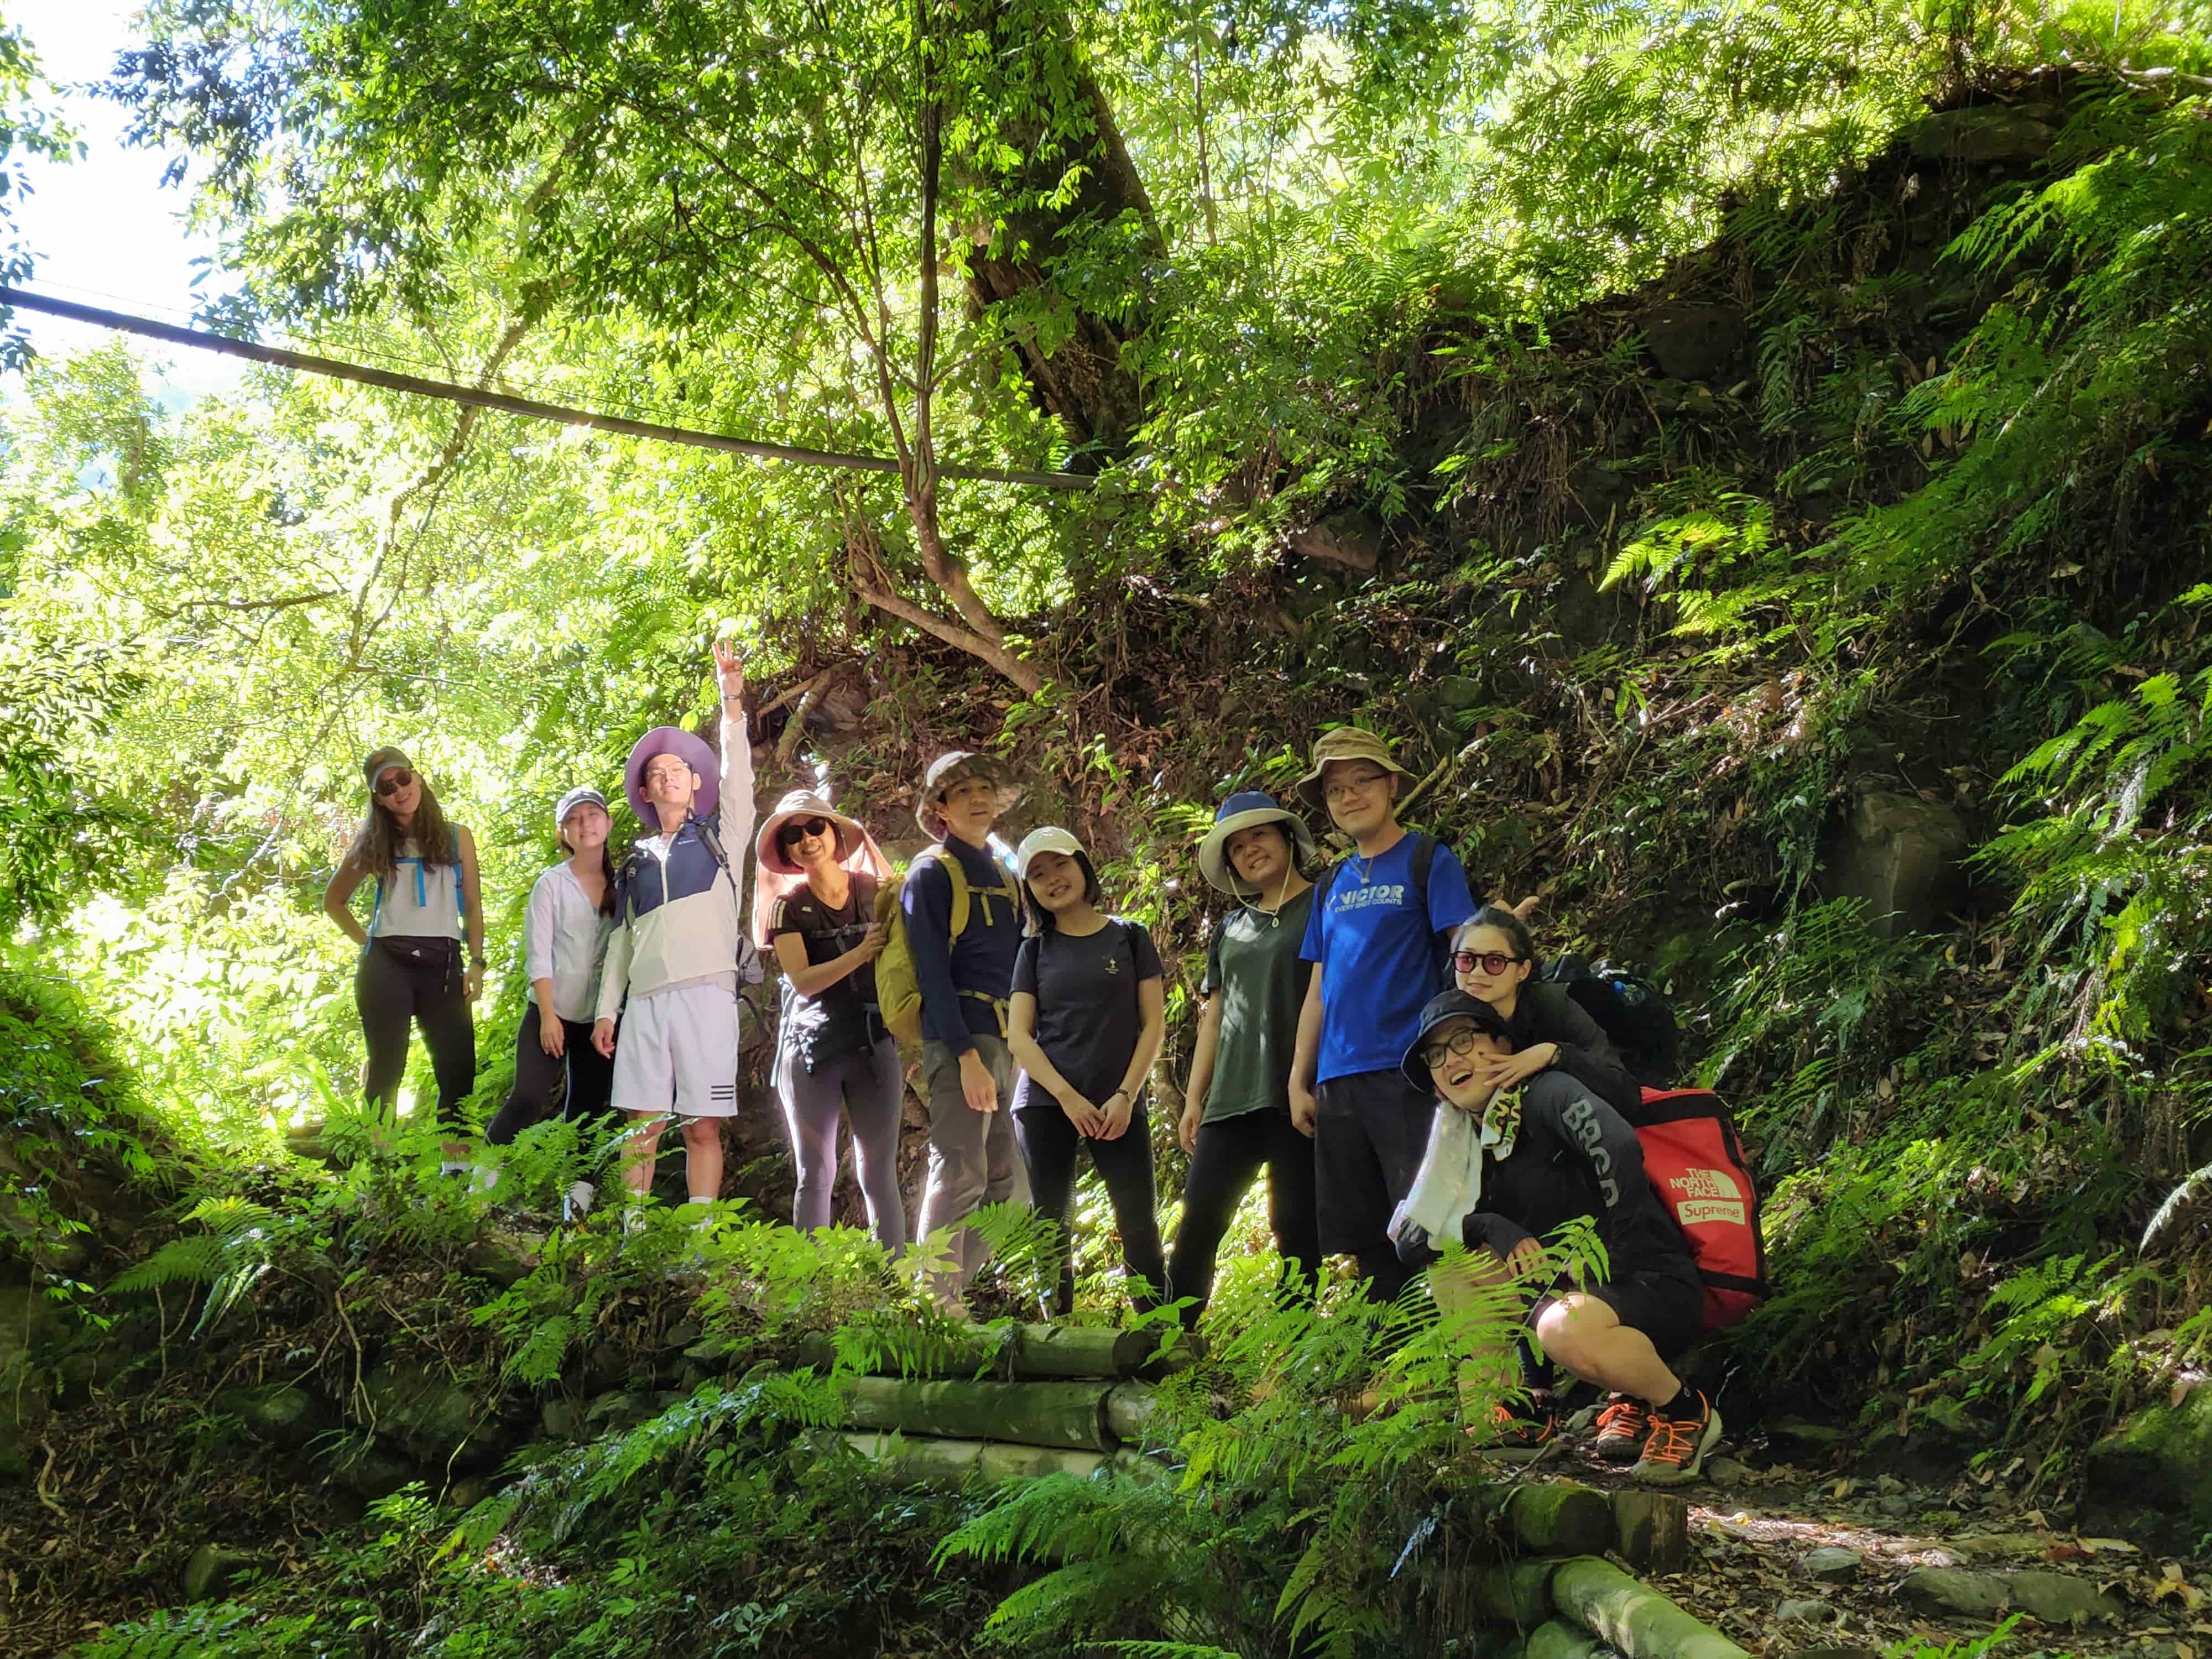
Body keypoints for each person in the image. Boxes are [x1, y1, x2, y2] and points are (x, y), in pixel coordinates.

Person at [1392, 990, 1719, 1485]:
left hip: (1646, 1280)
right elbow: (1412, 1241)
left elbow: (1619, 1147)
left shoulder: (1548, 1093)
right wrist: (1488, 1226)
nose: (1450, 1061)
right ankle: (1520, 1408)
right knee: (1454, 1265)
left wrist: (1615, 1255)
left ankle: (1684, 1412)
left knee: (1561, 1327)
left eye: (1463, 1040)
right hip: (1567, 1300)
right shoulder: (1458, 1144)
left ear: (1502, 1044)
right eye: (1435, 1055)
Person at [1286, 727, 1484, 1303]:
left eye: (1362, 780)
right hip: (1337, 1081)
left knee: (1428, 1218)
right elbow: (1318, 990)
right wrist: (1301, 1080)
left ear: (1391, 784)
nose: (1349, 797)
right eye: (1335, 790)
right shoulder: (1329, 886)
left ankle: (1470, 1358)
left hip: (1410, 1071)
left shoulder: (1427, 860)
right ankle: (1400, 1365)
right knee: (1365, 1232)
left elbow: (1465, 953)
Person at [591, 642, 758, 1217]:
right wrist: (608, 1011)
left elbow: (740, 781)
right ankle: (633, 1238)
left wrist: (730, 701)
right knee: (640, 1126)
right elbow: (620, 941)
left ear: (695, 782)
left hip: (706, 996)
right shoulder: (632, 861)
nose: (667, 778)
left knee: (701, 1126)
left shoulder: (721, 839)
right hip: (646, 1005)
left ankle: (699, 1241)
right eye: (655, 774)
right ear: (644, 792)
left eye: (677, 770)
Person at [1168, 791, 1323, 1324]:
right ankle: (1171, 1345)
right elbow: (1214, 1016)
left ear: (1286, 837)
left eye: (1258, 835)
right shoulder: (1231, 928)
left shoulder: (1324, 904)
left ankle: (1300, 1351)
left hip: (1295, 1091)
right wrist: (1194, 1098)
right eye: (1235, 846)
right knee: (1201, 1219)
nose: (1249, 849)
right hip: (1231, 1097)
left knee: (1297, 1224)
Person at [1006, 827, 1170, 1317]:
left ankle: (1160, 1338)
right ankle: (1057, 1336)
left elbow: (1154, 1023)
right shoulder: (1033, 951)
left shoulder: (1130, 936)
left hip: (1117, 1102)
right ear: (1029, 891)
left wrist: (1126, 1093)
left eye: (1060, 866)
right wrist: (1066, 1098)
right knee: (1052, 1223)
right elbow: (1019, 1037)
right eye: (1037, 874)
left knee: (1138, 1217)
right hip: (1047, 1103)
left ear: (1083, 866)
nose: (1052, 879)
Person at [904, 751, 1032, 1313]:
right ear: (941, 809)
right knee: (959, 1170)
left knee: (1011, 1189)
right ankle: (933, 1299)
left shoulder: (1005, 877)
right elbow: (931, 971)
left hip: (1006, 1042)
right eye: (962, 793)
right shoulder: (931, 873)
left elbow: (1019, 967)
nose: (979, 798)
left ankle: (943, 1287)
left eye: (985, 788)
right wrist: (964, 1056)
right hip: (963, 1039)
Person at [752, 789, 906, 1251]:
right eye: (795, 834)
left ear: (835, 833)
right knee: (815, 1172)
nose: (808, 840)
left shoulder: (874, 892)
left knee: (879, 1170)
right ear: (787, 851)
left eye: (815, 827)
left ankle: (897, 1282)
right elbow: (802, 981)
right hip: (812, 1050)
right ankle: (812, 1290)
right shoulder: (788, 908)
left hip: (873, 1043)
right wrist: (861, 952)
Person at [322, 748, 484, 1172]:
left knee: (458, 1068)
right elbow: (334, 901)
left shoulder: (455, 836)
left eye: (403, 779)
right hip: (387, 965)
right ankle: (379, 1174)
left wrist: (477, 963)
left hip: (443, 962)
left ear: (417, 778)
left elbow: (472, 904)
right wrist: (368, 944)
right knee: (386, 1067)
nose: (399, 791)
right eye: (386, 787)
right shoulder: (375, 843)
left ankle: (456, 1177)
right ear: (378, 798)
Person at [482, 786, 619, 1216]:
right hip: (550, 1012)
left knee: (586, 1110)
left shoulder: (625, 883)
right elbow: (539, 955)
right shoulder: (552, 885)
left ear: (608, 823)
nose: (586, 824)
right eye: (575, 820)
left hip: (599, 1019)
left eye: (593, 815)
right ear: (563, 833)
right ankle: (479, 1187)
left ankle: (575, 1207)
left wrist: (609, 1015)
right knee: (528, 1096)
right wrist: (547, 1017)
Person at [1451, 907, 1641, 1120]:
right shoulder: (1445, 1024)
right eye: (1467, 960)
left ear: (1522, 970)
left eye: (1495, 962)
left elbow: (1627, 1095)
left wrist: (1555, 1055)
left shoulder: (1553, 1008)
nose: (1477, 972)